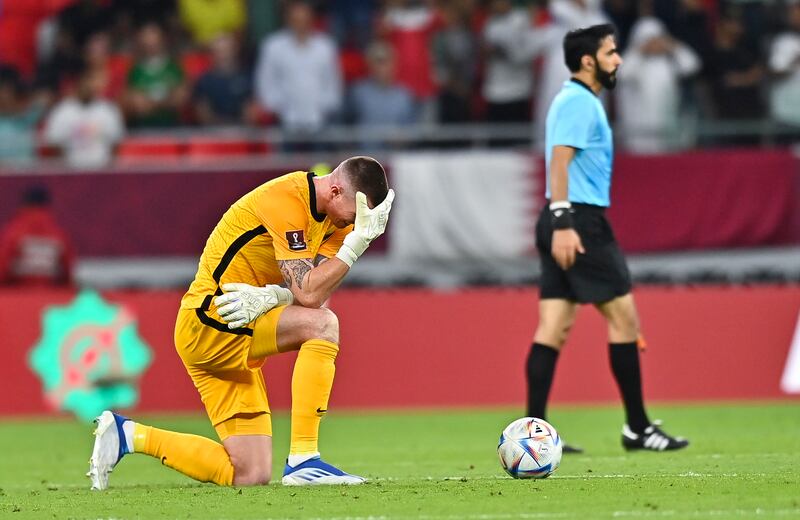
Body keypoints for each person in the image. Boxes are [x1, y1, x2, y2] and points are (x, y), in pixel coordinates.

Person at [87, 157, 395, 489]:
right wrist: (356, 247)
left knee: (249, 473)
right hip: (209, 319)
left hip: (234, 328)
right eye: (351, 217)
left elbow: (317, 293)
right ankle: (304, 459)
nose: (351, 226)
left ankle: (127, 435)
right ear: (335, 191)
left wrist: (275, 296)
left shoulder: (339, 224)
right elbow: (308, 296)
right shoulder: (287, 200)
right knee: (323, 326)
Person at [525, 24, 689, 453]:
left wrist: (557, 217)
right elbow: (559, 163)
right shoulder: (579, 102)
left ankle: (532, 433)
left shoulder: (575, 100)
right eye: (612, 52)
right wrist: (564, 222)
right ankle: (637, 427)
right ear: (588, 60)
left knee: (553, 328)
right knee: (625, 320)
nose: (618, 59)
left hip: (561, 214)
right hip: (577, 220)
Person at [43, 68, 125, 169]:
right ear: (77, 82)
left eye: (91, 81)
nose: (88, 86)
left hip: (101, 170)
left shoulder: (108, 110)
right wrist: (67, 167)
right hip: (71, 171)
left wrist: (107, 167)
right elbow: (55, 144)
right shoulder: (62, 110)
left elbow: (115, 144)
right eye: (85, 81)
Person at [0, 186, 75, 287]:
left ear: (24, 204)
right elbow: (68, 270)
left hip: (16, 296)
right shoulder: (58, 233)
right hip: (50, 297)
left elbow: (2, 266)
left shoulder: (13, 231)